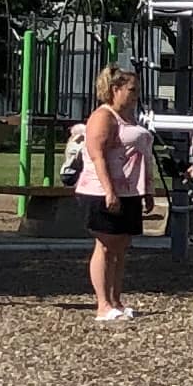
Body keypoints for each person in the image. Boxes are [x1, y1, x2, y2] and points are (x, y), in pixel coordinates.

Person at [80, 63, 152, 324]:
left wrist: (147, 191)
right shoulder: (103, 116)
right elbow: (97, 155)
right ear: (115, 89)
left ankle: (116, 300)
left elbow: (142, 156)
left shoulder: (130, 118)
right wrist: (110, 192)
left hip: (129, 191)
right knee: (106, 245)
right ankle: (103, 304)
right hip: (101, 191)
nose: (135, 96)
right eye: (131, 90)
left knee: (121, 247)